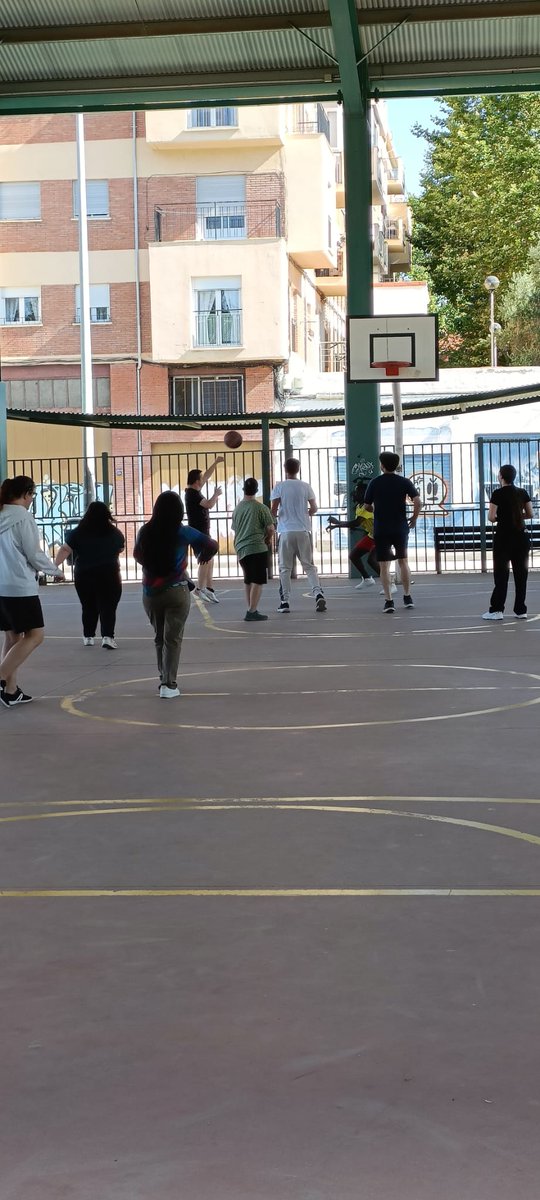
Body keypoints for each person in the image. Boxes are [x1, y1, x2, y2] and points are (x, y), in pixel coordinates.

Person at [134, 490, 217, 699]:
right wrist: (202, 555)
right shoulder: (183, 532)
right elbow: (211, 545)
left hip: (150, 591)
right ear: (180, 511)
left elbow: (136, 554)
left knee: (159, 637)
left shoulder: (145, 531)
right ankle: (168, 684)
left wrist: (152, 567)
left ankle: (163, 676)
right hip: (176, 590)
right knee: (173, 638)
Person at [0, 474, 64, 707]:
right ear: (26, 494)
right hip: (20, 587)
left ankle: (10, 689)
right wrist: (54, 570)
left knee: (12, 637)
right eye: (32, 496)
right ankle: (1, 676)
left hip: (2, 587)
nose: (31, 500)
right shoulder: (23, 518)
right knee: (35, 636)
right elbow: (33, 553)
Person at [54, 501, 125, 648]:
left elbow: (65, 549)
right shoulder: (115, 533)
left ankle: (88, 636)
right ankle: (107, 637)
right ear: (107, 515)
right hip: (109, 573)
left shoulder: (78, 532)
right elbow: (120, 549)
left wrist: (54, 567)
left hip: (84, 574)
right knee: (108, 606)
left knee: (88, 606)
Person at [364, 451, 422, 614]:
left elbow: (367, 505)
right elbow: (418, 501)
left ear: (382, 465)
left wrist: (375, 507)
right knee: (403, 561)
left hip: (381, 527)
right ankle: (407, 596)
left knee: (384, 565)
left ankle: (389, 601)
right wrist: (414, 518)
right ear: (396, 465)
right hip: (400, 527)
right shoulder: (404, 482)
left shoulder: (375, 483)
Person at [270, 458, 326, 614]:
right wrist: (304, 513)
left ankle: (285, 601)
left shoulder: (279, 486)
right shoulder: (305, 486)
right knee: (309, 566)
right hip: (303, 531)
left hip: (286, 531)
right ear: (298, 469)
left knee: (285, 568)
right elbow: (314, 508)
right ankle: (318, 593)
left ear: (285, 469)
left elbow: (273, 510)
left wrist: (279, 516)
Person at [482, 464, 533, 621]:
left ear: (501, 476)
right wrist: (516, 517)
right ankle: (520, 610)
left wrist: (502, 518)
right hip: (521, 537)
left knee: (501, 575)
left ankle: (497, 610)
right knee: (521, 574)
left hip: (504, 537)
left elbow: (491, 517)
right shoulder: (522, 493)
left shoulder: (497, 493)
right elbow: (530, 513)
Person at [232, 477, 275, 622]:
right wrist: (268, 539)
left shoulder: (238, 508)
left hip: (241, 548)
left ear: (244, 489)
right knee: (258, 579)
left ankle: (250, 607)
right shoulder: (261, 508)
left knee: (248, 579)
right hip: (257, 547)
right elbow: (270, 528)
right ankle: (252, 611)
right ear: (257, 491)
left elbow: (235, 529)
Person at [326, 481, 380, 590]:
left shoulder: (368, 506)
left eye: (357, 491)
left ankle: (390, 584)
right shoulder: (359, 507)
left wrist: (337, 524)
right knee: (354, 555)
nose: (354, 493)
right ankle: (367, 579)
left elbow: (356, 523)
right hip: (372, 535)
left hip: (381, 536)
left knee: (372, 560)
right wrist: (337, 524)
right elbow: (357, 522)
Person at [184, 456, 224, 603]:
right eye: (200, 478)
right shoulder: (192, 494)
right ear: (196, 481)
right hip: (198, 532)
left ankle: (208, 587)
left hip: (202, 531)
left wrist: (216, 462)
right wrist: (216, 494)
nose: (203, 480)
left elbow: (206, 475)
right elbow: (208, 504)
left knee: (210, 557)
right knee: (204, 558)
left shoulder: (194, 490)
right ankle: (200, 589)